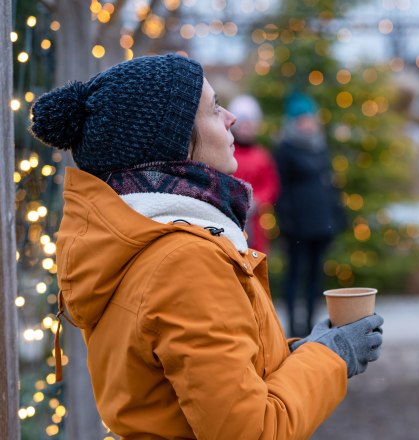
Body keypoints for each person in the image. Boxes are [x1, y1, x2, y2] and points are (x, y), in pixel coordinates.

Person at [30, 54, 383, 439]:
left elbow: (206, 384)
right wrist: (333, 356)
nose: (231, 117)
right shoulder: (185, 260)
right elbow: (252, 431)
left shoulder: (138, 238)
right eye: (214, 108)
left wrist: (309, 349)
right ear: (175, 138)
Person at [274, 92, 347, 337]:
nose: (308, 123)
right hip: (298, 225)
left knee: (316, 276)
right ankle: (294, 326)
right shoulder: (285, 149)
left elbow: (330, 185)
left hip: (321, 223)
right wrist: (287, 221)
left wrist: (337, 217)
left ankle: (311, 325)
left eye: (310, 118)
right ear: (294, 121)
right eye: (302, 118)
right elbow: (280, 189)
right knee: (295, 274)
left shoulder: (319, 146)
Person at [227, 95, 279, 253]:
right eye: (243, 124)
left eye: (249, 124)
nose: (246, 128)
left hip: (255, 223)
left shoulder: (262, 156)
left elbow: (271, 185)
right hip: (229, 215)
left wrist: (257, 201)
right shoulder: (227, 153)